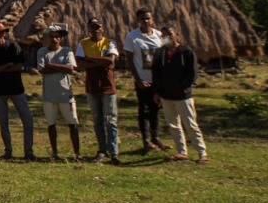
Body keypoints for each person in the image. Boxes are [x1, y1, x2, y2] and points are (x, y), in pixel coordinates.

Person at [152, 26, 208, 164]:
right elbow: (156, 73)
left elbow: (192, 74)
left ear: (176, 35)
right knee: (173, 125)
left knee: (190, 124)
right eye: (163, 35)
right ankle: (181, 151)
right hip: (166, 95)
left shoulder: (186, 52)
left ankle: (202, 153)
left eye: (169, 34)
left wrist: (182, 87)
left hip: (183, 95)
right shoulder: (160, 53)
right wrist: (157, 91)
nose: (167, 37)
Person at [0, 21, 36, 161]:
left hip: (16, 88)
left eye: (2, 32)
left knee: (28, 119)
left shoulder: (14, 46)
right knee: (4, 122)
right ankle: (8, 150)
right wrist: (7, 65)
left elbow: (19, 67)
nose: (0, 35)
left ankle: (28, 151)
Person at [76, 19, 121, 165]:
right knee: (97, 120)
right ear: (88, 28)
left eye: (98, 27)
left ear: (103, 28)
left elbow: (110, 61)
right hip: (92, 86)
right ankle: (102, 150)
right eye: (93, 27)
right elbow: (79, 63)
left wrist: (90, 59)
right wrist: (101, 61)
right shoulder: (83, 43)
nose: (95, 29)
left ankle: (114, 152)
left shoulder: (110, 43)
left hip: (108, 86)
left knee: (111, 120)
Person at [125, 9, 168, 153]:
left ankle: (156, 137)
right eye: (142, 19)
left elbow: (166, 54)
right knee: (143, 110)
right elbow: (130, 60)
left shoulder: (159, 35)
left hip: (157, 80)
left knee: (155, 109)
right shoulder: (132, 37)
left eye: (148, 18)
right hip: (143, 80)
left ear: (152, 19)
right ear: (138, 20)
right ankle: (146, 140)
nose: (145, 21)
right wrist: (138, 80)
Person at [36, 24, 81, 161]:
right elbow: (42, 70)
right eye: (51, 37)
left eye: (57, 37)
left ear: (60, 38)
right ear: (48, 38)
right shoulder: (42, 52)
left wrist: (51, 65)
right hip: (49, 95)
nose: (54, 39)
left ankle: (77, 153)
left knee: (73, 123)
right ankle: (55, 153)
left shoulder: (66, 51)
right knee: (51, 124)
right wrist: (62, 68)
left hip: (66, 94)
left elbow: (71, 68)